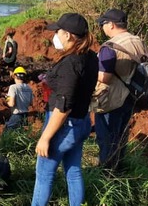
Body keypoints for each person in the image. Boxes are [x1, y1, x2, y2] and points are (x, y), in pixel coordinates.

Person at [31, 13, 98, 206]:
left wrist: (45, 138)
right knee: (74, 170)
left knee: (44, 174)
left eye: (58, 31)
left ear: (68, 35)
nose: (56, 35)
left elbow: (63, 106)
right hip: (82, 121)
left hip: (65, 125)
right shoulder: (90, 56)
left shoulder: (71, 63)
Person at [93, 8, 148, 170]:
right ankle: (119, 166)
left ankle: (106, 172)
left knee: (106, 137)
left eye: (103, 24)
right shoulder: (137, 41)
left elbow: (105, 77)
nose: (102, 28)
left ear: (110, 25)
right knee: (121, 135)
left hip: (111, 99)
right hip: (131, 96)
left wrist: (91, 72)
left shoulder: (110, 47)